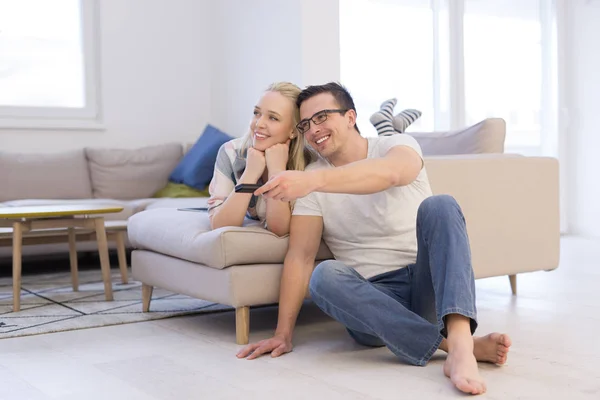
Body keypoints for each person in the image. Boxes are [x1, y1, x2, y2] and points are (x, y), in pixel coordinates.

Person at [236, 82, 512, 395]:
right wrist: (283, 333)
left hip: (427, 287)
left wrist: (312, 181)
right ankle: (454, 347)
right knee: (324, 275)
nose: (314, 130)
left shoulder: (394, 145)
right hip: (374, 304)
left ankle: (461, 346)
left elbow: (393, 173)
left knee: (441, 205)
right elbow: (300, 257)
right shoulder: (311, 182)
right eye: (306, 124)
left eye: (323, 117)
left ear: (350, 117)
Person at [207, 82, 312, 236]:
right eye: (257, 113)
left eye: (273, 118)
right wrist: (250, 173)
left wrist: (276, 171)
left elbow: (279, 230)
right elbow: (221, 225)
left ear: (293, 131)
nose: (259, 124)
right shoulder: (231, 152)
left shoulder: (309, 162)